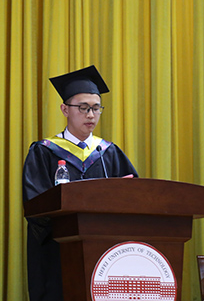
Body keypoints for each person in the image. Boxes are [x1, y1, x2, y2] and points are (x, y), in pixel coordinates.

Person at [22, 65, 138, 301]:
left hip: (105, 251)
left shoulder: (108, 152)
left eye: (96, 108)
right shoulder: (44, 151)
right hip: (58, 251)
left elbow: (135, 199)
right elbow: (35, 205)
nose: (91, 115)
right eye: (83, 108)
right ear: (65, 109)